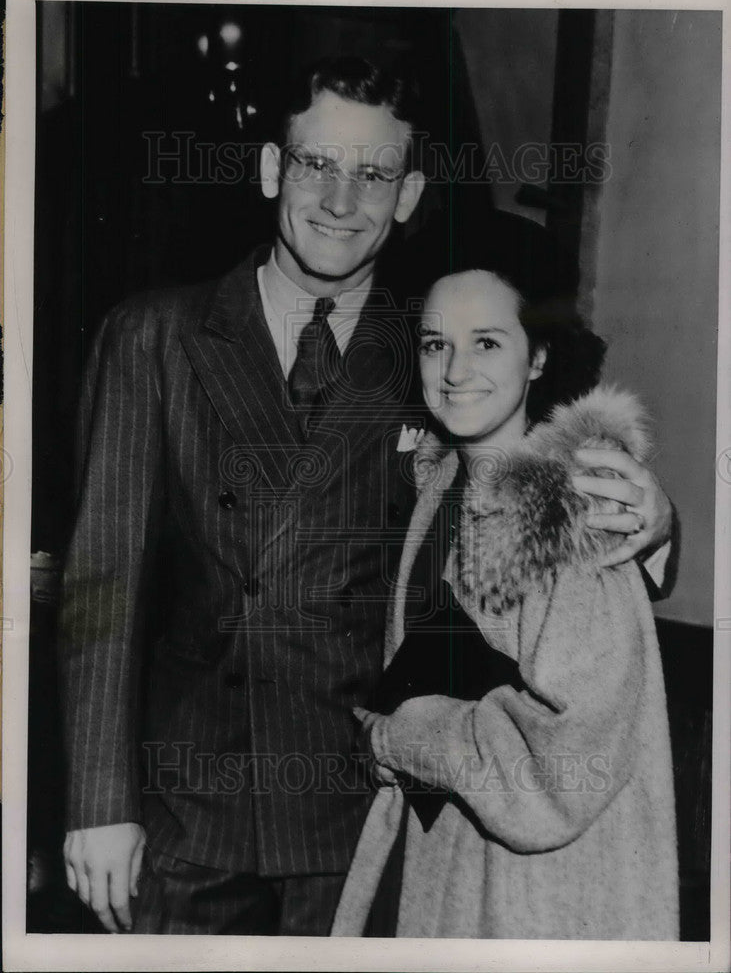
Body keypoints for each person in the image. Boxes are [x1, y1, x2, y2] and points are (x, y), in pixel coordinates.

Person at [59, 55, 674, 936]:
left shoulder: (440, 346)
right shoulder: (152, 335)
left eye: (374, 173)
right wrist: (95, 800)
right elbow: (101, 590)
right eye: (317, 165)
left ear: (410, 192)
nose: (342, 201)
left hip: (364, 809)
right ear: (274, 170)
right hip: (182, 812)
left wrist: (651, 521)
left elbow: (541, 472)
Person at [331, 268, 679, 939]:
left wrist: (399, 735)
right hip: (441, 864)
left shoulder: (573, 514)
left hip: (537, 903)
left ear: (537, 359)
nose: (455, 369)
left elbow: (560, 773)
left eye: (485, 342)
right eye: (435, 344)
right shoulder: (441, 484)